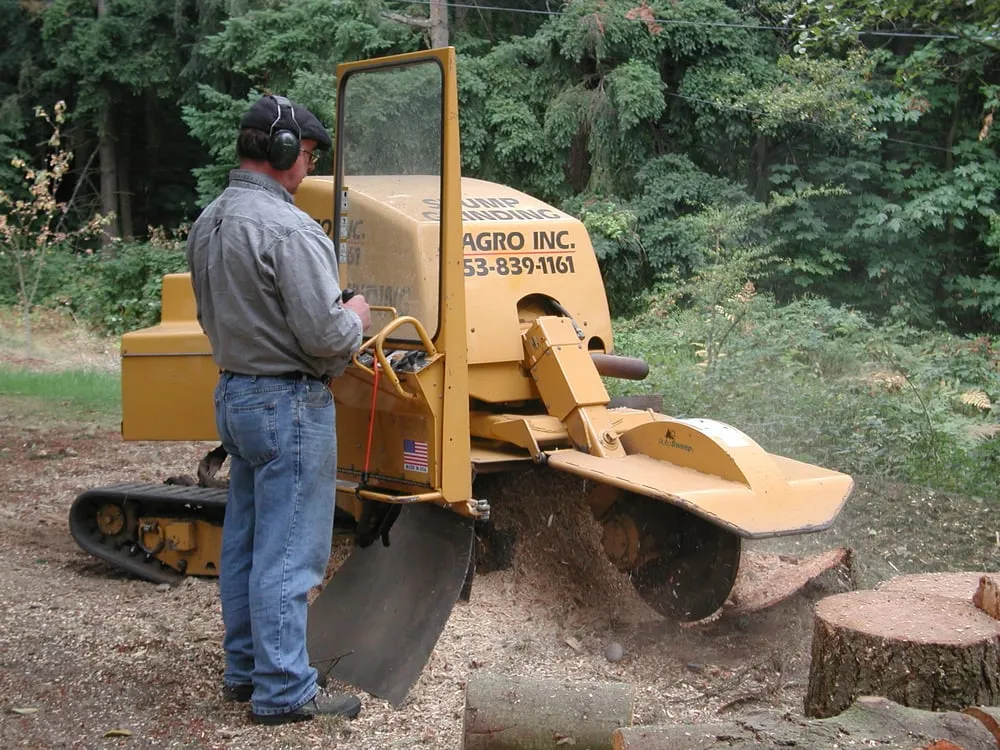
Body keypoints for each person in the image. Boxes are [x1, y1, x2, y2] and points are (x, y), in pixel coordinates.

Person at [186, 94, 372, 725]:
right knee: (289, 554)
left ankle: (246, 670)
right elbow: (325, 337)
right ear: (284, 150)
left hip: (236, 394)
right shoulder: (288, 229)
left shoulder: (210, 220)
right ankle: (285, 691)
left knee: (244, 542)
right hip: (288, 403)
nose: (309, 169)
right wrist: (356, 316)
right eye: (309, 156)